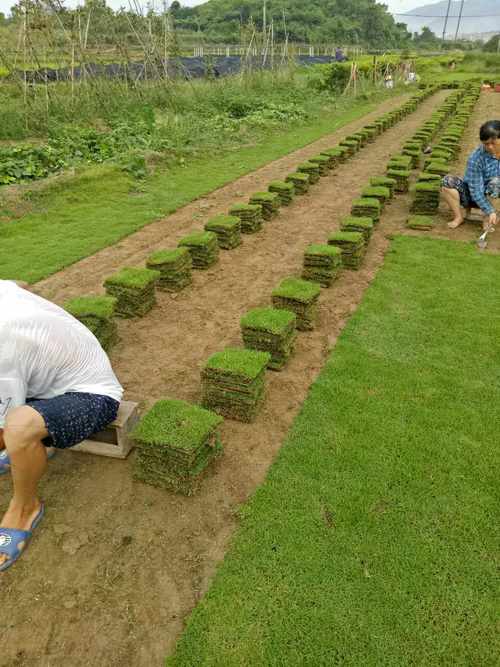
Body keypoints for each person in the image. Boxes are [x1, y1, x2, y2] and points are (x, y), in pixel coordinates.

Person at [0, 281, 123, 571]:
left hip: (92, 395)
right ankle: (31, 447)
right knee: (17, 426)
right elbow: (19, 284)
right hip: (44, 384)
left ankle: (25, 509)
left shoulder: (2, 343)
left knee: (18, 428)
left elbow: (4, 432)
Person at [442, 120, 500, 230]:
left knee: (496, 183)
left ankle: (489, 216)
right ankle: (459, 217)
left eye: (493, 143)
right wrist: (490, 211)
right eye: (486, 144)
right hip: (472, 194)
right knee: (447, 182)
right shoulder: (476, 158)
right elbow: (476, 191)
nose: (490, 147)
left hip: (494, 190)